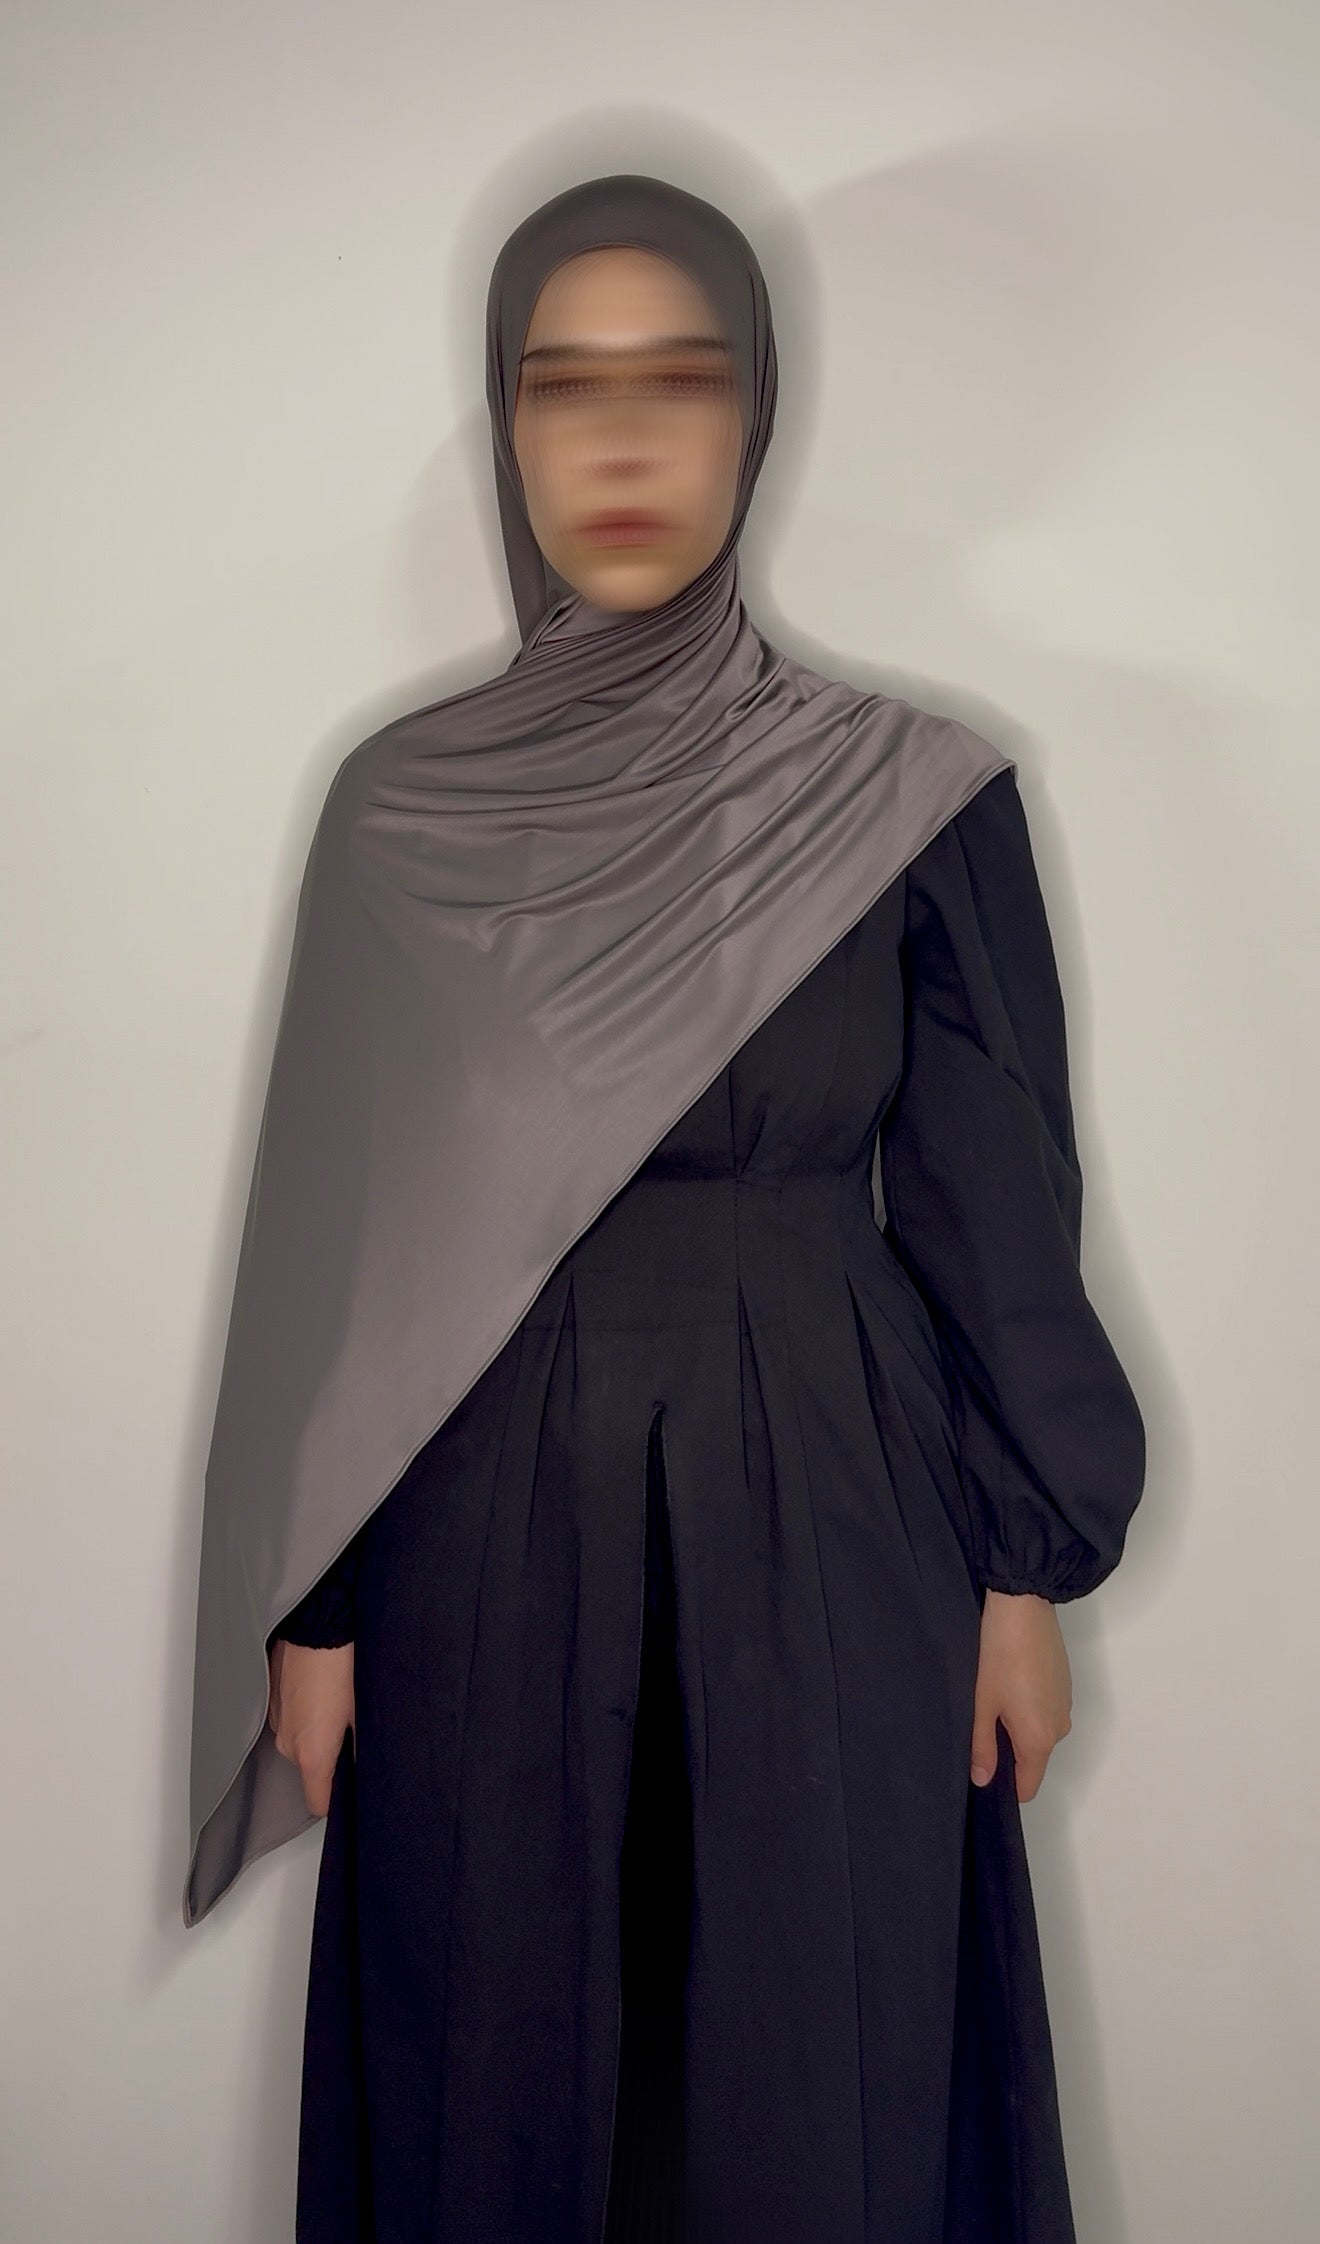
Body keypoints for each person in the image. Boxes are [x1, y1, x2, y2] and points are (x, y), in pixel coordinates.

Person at [185, 174, 1146, 2244]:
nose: (622, 439)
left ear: (755, 415)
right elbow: (335, 1239)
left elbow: (995, 1207)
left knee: (822, 2045)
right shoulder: (405, 810)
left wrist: (1024, 1574)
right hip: (481, 1516)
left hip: (837, 1490)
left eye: (680, 381)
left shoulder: (910, 793)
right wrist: (313, 1605)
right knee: (498, 2051)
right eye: (565, 387)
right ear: (508, 424)